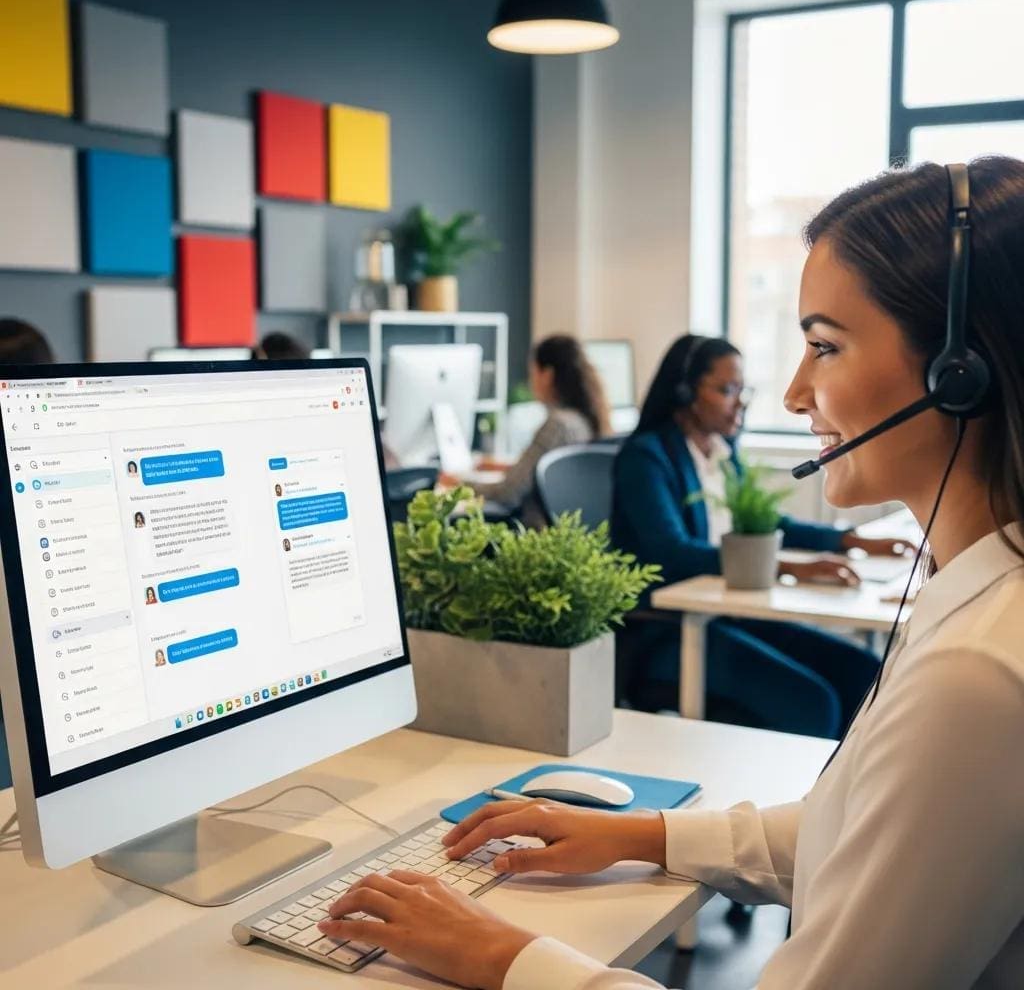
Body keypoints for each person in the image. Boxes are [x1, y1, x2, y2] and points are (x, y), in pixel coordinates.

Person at [313, 158, 1024, 989]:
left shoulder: (975, 674)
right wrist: (644, 834)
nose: (794, 393)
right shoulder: (976, 611)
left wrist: (500, 956)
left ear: (958, 374)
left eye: (825, 347)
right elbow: (857, 834)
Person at [611, 333, 899, 735]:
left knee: (864, 672)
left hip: (729, 614)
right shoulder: (646, 458)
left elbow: (765, 524)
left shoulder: (723, 453)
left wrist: (850, 541)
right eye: (726, 390)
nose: (740, 402)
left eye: (743, 390)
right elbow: (674, 552)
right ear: (685, 391)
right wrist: (784, 566)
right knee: (812, 702)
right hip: (667, 630)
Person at [440, 334, 611, 528]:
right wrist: (504, 467)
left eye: (532, 373)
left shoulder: (558, 426)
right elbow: (544, 471)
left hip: (534, 533)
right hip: (570, 535)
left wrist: (459, 483)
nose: (531, 382)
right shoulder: (582, 420)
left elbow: (508, 492)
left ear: (547, 375)